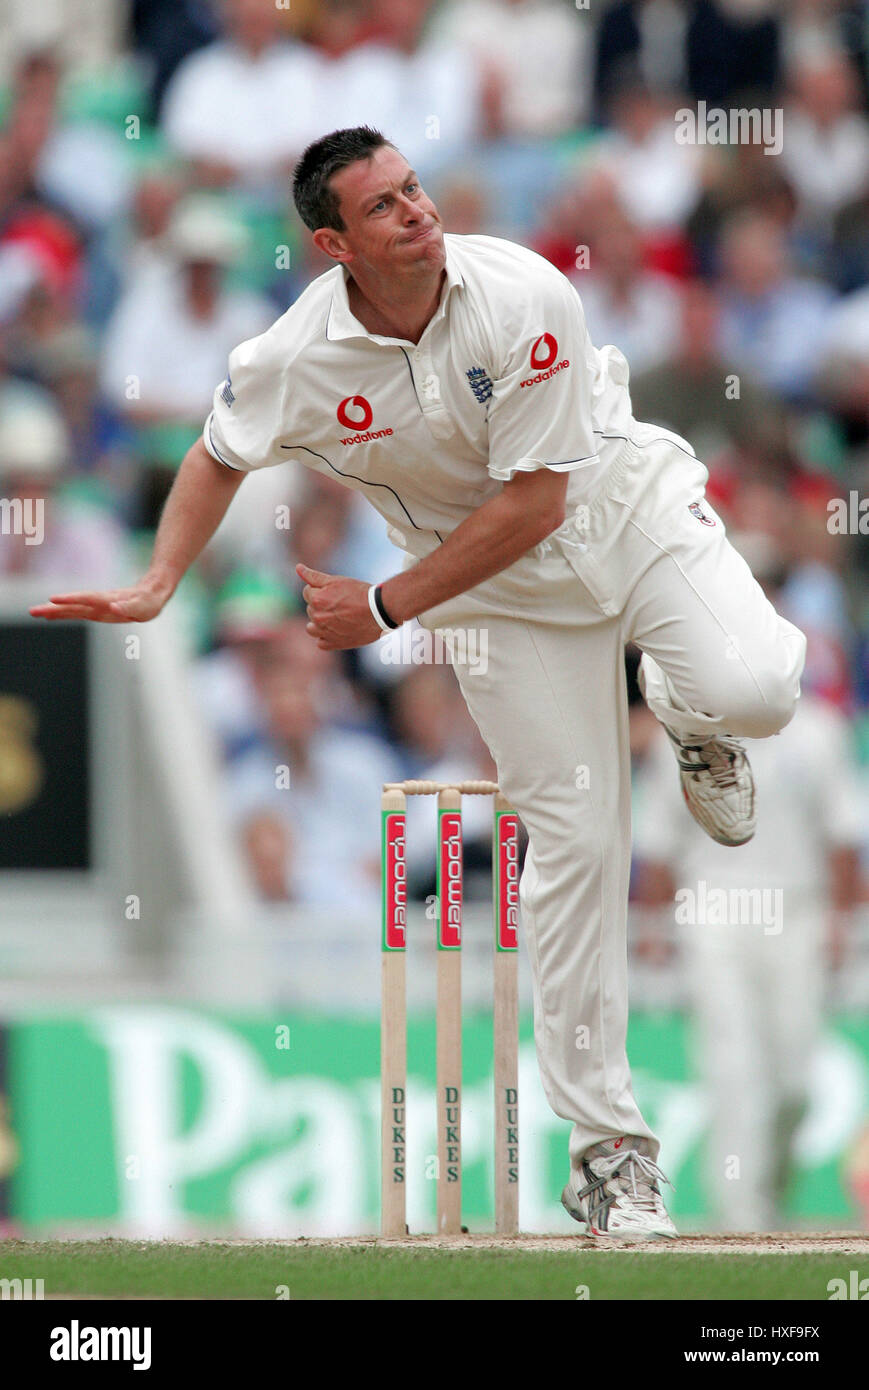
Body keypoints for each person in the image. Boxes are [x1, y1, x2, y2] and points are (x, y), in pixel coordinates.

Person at [31, 127, 807, 1242]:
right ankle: (611, 1161)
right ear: (332, 242)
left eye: (415, 188)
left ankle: (686, 713)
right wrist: (159, 579)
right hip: (496, 598)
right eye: (384, 206)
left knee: (757, 689)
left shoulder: (525, 291)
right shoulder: (291, 360)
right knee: (576, 845)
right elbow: (215, 449)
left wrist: (387, 605)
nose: (417, 212)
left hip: (617, 513)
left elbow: (537, 501)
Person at [633, 543, 863, 1230]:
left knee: (792, 1082)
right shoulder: (683, 729)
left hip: (797, 913)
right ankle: (741, 1227)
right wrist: (651, 934)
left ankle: (771, 1197)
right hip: (712, 917)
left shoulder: (818, 731)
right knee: (735, 1073)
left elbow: (845, 840)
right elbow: (658, 846)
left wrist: (838, 923)